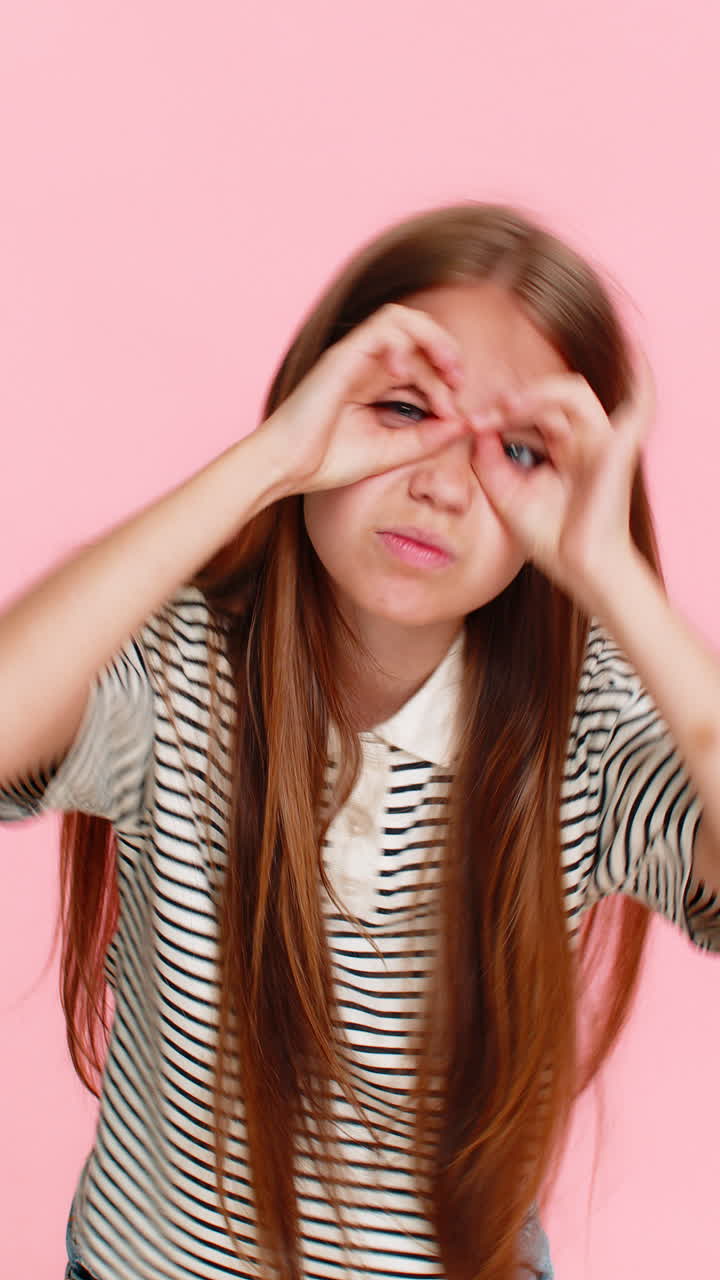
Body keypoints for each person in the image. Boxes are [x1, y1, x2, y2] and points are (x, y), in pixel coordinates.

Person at [2, 203, 720, 1280]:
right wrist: (269, 460)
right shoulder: (178, 660)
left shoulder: (592, 733)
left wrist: (610, 570)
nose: (441, 483)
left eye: (516, 450)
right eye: (403, 409)